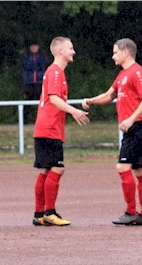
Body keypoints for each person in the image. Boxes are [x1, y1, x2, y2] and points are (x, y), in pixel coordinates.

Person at [82, 38, 142, 226]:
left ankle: (131, 212)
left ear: (125, 52)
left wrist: (131, 118)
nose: (113, 56)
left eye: (115, 52)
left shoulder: (137, 72)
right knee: (139, 169)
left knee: (123, 167)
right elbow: (109, 95)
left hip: (138, 125)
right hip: (135, 126)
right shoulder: (123, 74)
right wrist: (91, 101)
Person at [32, 37, 90, 227]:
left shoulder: (54, 72)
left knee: (46, 170)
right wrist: (74, 111)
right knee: (57, 168)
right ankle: (49, 212)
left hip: (47, 128)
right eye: (70, 48)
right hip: (49, 129)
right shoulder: (56, 72)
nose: (73, 52)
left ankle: (39, 214)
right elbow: (54, 99)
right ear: (59, 51)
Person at [21, 41, 48, 123]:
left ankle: (43, 119)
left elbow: (43, 65)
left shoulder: (42, 56)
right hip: (29, 82)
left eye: (35, 46)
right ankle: (24, 120)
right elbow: (27, 66)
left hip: (40, 81)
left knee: (42, 101)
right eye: (32, 46)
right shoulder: (26, 56)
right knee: (27, 101)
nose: (34, 48)